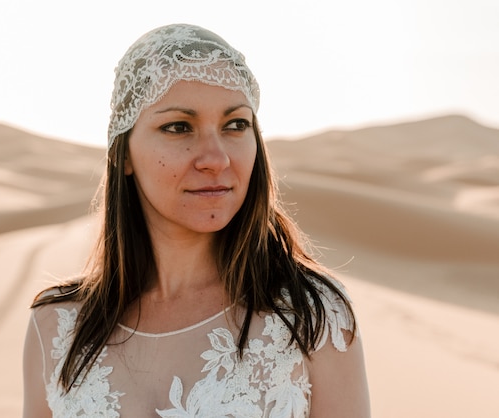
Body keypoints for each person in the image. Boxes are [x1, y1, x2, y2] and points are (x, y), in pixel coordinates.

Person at [23, 23, 370, 417]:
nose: (216, 158)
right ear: (123, 155)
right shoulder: (56, 328)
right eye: (178, 127)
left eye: (236, 124)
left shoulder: (311, 316)